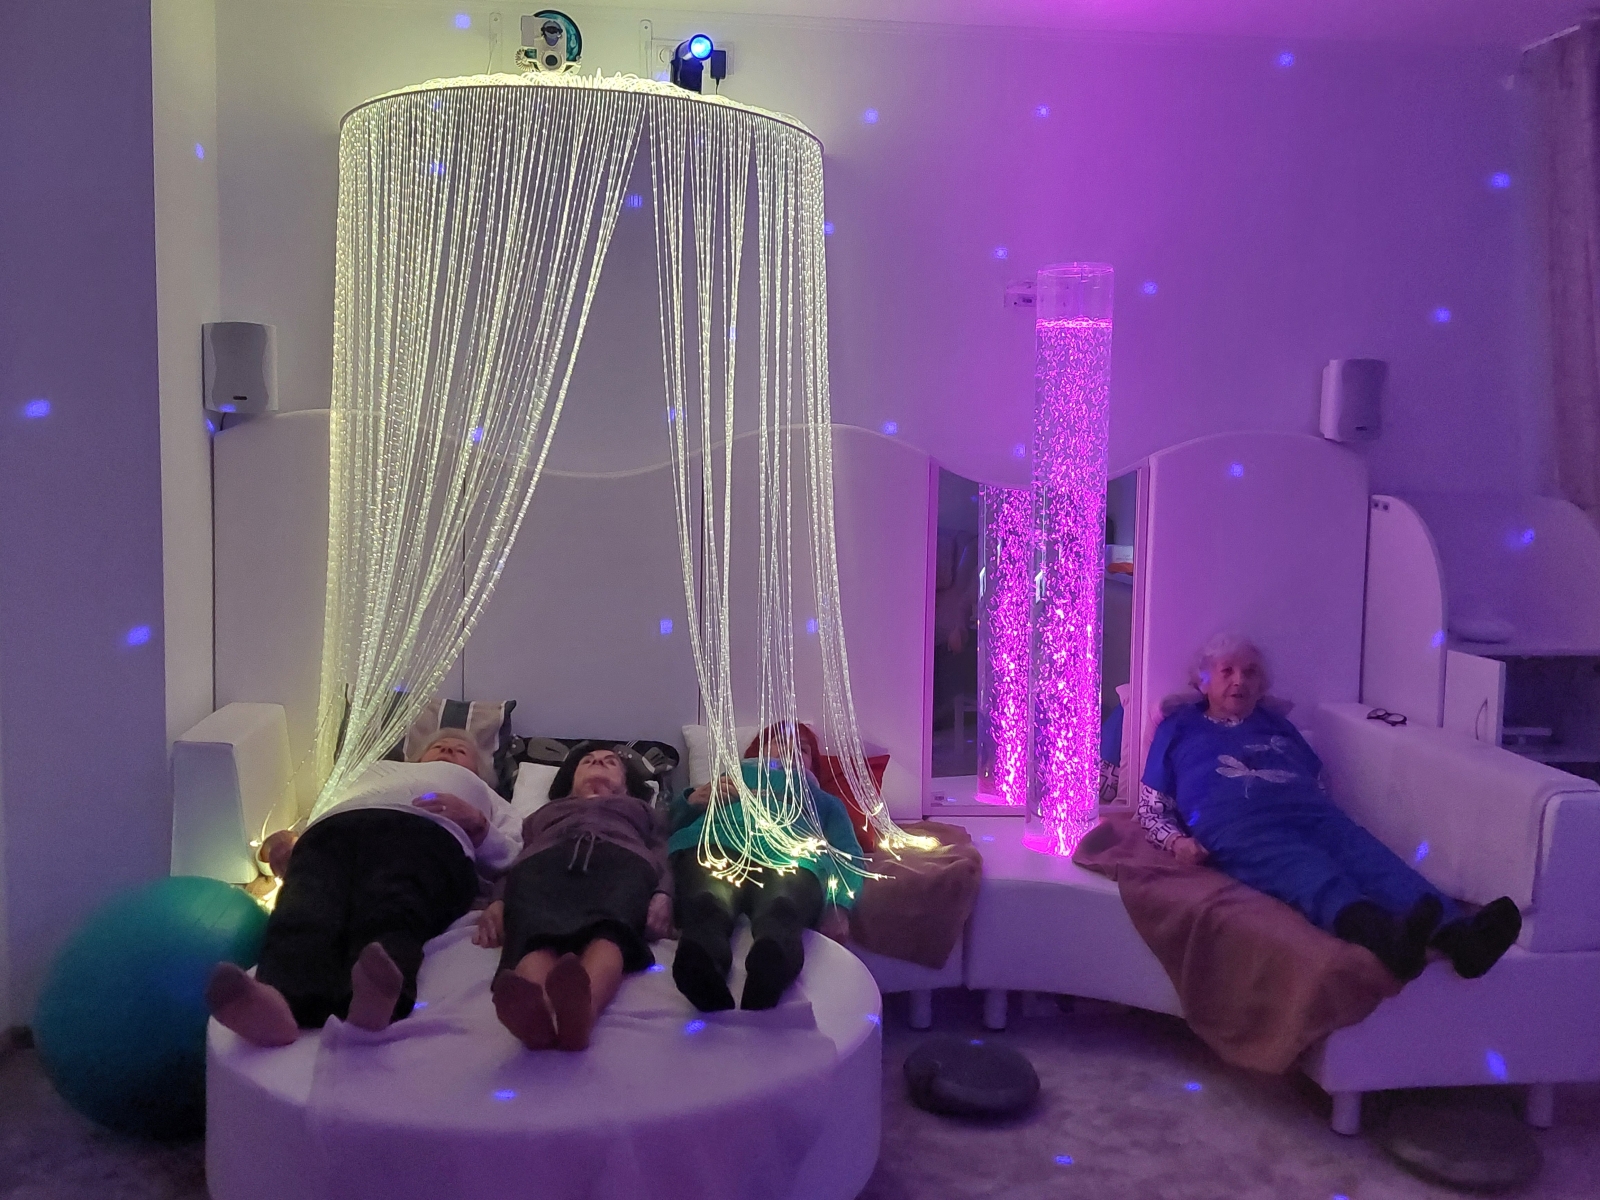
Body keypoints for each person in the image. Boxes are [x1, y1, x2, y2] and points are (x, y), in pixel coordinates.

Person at [1140, 633, 1522, 982]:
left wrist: (1324, 816)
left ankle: (1461, 939)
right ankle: (1387, 942)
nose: (1240, 681)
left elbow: (1315, 778)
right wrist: (1177, 842)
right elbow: (1151, 807)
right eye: (1227, 671)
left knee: (1373, 861)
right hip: (1240, 828)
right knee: (1313, 875)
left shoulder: (1276, 723)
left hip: (1313, 814)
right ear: (1203, 681)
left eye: (1250, 672)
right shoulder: (1179, 727)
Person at [206, 728, 522, 1046]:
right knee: (303, 911)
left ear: (479, 772)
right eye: (439, 745)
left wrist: (479, 824)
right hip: (330, 832)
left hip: (425, 834)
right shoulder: (373, 771)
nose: (448, 750)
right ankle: (275, 1007)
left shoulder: (486, 794)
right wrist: (285, 841)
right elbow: (312, 818)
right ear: (417, 757)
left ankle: (372, 998)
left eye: (460, 750)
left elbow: (516, 855)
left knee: (393, 906)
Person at [472, 742, 672, 1051]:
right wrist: (498, 899)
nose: (598, 763)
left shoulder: (644, 811)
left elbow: (664, 853)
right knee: (533, 935)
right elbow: (516, 855)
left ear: (627, 783)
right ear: (571, 779)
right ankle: (537, 1013)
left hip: (622, 861)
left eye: (610, 762)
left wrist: (664, 893)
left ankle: (582, 1013)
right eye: (587, 761)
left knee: (611, 930)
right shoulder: (541, 814)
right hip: (541, 865)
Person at [669, 721, 864, 1012]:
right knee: (708, 900)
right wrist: (691, 801)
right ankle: (700, 964)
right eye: (779, 742)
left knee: (783, 906)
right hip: (717, 845)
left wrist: (840, 905)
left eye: (803, 749)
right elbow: (664, 826)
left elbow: (849, 853)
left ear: (812, 765)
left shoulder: (823, 801)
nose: (790, 750)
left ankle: (771, 966)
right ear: (755, 753)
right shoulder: (727, 780)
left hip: (791, 857)